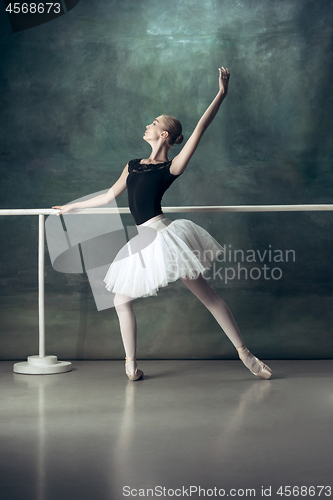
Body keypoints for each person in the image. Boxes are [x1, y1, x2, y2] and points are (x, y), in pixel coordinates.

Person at [53, 66, 272, 382]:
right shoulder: (132, 165)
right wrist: (72, 207)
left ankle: (245, 354)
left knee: (208, 296)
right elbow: (108, 196)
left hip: (164, 236)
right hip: (143, 239)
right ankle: (130, 365)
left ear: (165, 134)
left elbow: (199, 130)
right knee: (120, 299)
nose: (147, 125)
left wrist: (221, 94)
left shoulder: (171, 167)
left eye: (153, 123)